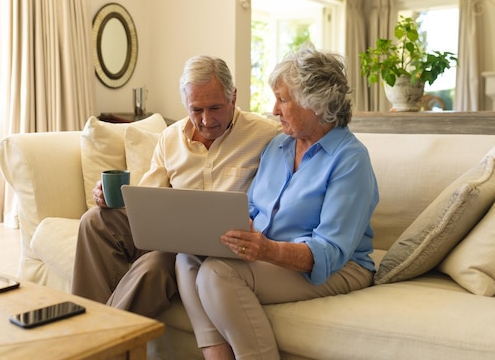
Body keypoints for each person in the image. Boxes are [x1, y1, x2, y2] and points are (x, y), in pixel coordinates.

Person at [176, 47, 379, 360]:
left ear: (317, 103)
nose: (274, 109)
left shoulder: (350, 159)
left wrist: (267, 250)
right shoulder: (278, 146)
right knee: (187, 258)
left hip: (337, 266)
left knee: (217, 273)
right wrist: (224, 232)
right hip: (273, 253)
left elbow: (331, 251)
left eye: (283, 99)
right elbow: (255, 210)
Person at [71, 55, 281, 318]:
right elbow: (148, 198)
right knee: (95, 220)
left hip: (216, 246)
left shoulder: (266, 135)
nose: (206, 120)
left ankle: (100, 339)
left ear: (233, 98)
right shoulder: (170, 138)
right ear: (185, 104)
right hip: (169, 232)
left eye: (215, 108)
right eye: (196, 110)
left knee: (154, 265)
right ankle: (84, 322)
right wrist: (109, 198)